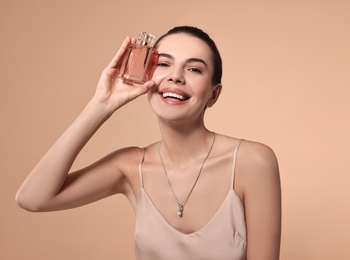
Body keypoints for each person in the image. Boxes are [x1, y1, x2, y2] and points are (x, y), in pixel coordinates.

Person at [16, 26, 281, 260]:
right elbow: (33, 198)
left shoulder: (252, 161)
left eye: (194, 69)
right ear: (146, 76)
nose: (175, 77)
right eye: (164, 64)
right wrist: (101, 105)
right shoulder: (130, 166)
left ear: (214, 94)